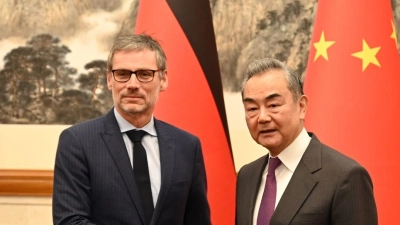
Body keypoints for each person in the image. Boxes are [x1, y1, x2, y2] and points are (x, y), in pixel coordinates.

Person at [52, 34, 211, 225]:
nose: (132, 85)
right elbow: (70, 221)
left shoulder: (187, 145)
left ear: (163, 79)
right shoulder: (78, 141)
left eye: (144, 74)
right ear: (110, 80)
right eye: (122, 74)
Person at [236, 58, 377, 225]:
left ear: (301, 106)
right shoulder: (247, 176)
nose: (263, 117)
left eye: (273, 105)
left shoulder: (345, 176)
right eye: (252, 109)